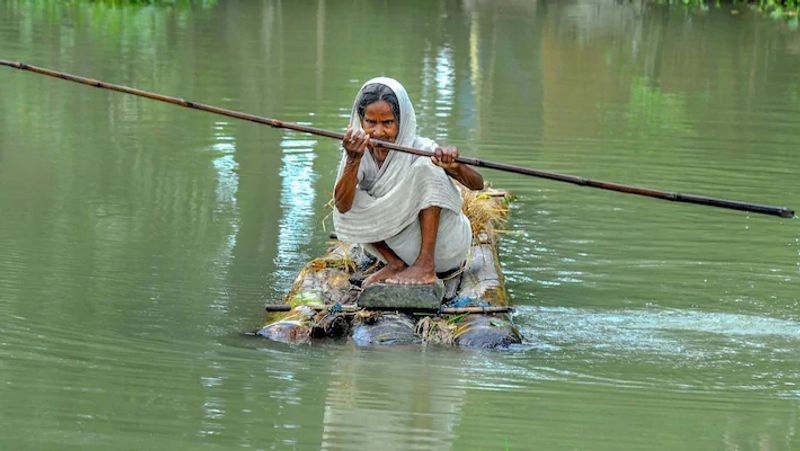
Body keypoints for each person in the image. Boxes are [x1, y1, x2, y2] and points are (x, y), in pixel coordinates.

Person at [333, 77, 484, 287]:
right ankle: (395, 264)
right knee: (346, 198)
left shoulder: (420, 147)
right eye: (370, 122)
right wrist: (352, 160)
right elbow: (342, 206)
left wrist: (455, 166)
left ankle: (425, 265)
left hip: (446, 248)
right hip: (399, 250)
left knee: (428, 167)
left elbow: (478, 184)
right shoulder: (357, 151)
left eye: (387, 123)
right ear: (361, 120)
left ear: (401, 122)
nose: (378, 132)